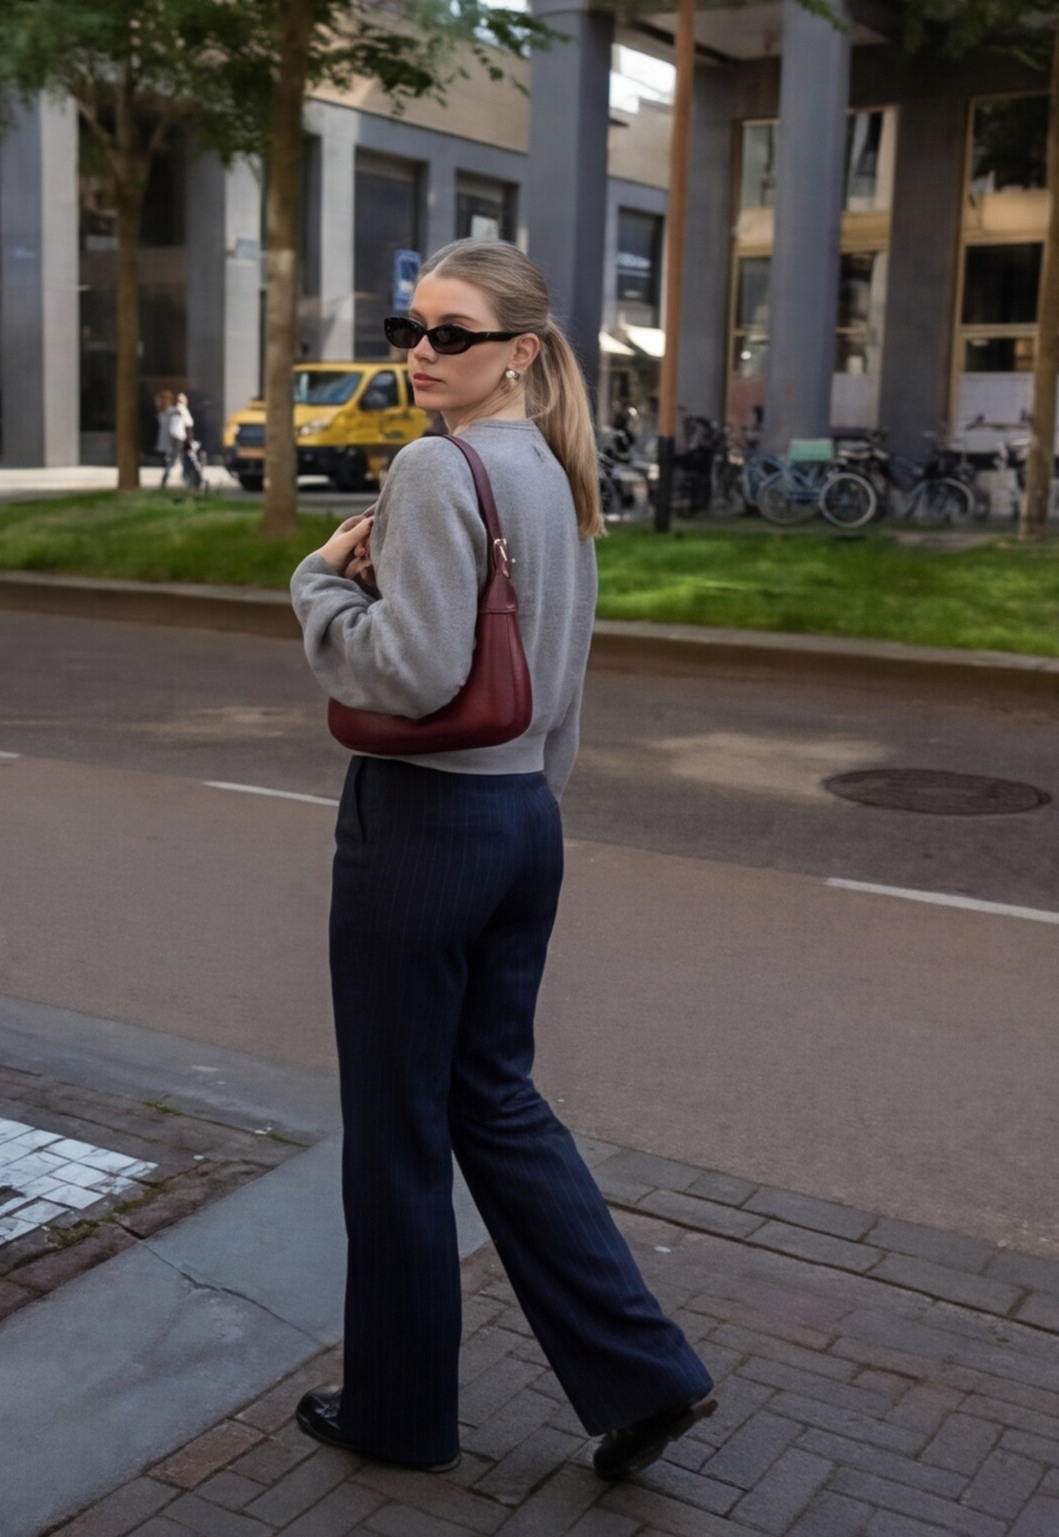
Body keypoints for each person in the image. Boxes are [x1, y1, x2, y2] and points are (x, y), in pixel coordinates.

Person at [289, 239, 714, 1482]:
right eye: (409, 328)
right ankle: (645, 1371)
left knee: (399, 1128)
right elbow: (561, 681)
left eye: (452, 334)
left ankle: (399, 1412)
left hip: (422, 826)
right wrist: (526, 805)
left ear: (519, 351)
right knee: (495, 1100)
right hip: (524, 819)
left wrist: (316, 586)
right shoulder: (552, 471)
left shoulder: (437, 467)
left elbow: (413, 670)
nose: (421, 352)